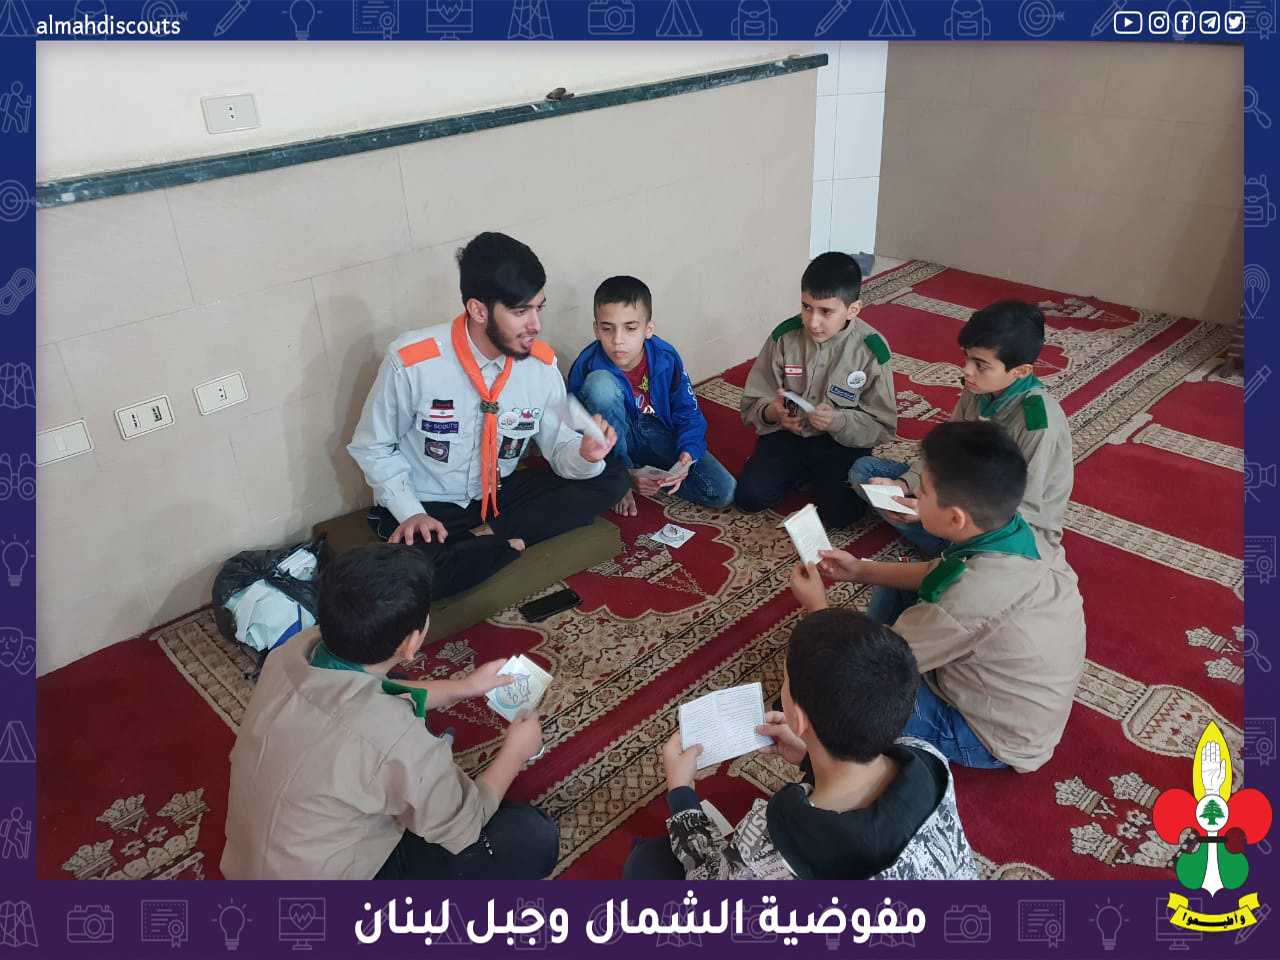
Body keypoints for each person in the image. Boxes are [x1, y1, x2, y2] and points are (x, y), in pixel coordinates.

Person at [221, 544, 558, 880]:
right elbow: (466, 823)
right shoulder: (400, 740)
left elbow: (358, 690)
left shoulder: (291, 651)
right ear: (410, 643)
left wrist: (464, 687)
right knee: (531, 838)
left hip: (248, 865)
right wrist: (516, 753)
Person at [794, 420, 1086, 773]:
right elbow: (942, 571)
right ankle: (873, 645)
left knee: (851, 696)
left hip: (986, 737)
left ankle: (855, 661)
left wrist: (818, 611)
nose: (914, 497)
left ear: (956, 518)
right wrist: (860, 570)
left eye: (922, 493)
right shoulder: (1016, 532)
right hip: (1013, 699)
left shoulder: (971, 598)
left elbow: (873, 675)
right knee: (895, 581)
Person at [348, 232, 629, 598]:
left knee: (612, 475)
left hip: (499, 497)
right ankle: (503, 542)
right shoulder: (412, 361)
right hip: (431, 503)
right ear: (478, 310)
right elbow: (373, 447)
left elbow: (561, 446)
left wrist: (585, 454)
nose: (535, 325)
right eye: (520, 311)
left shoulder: (541, 366)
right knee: (413, 578)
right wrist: (411, 512)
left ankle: (486, 540)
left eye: (538, 308)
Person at [622, 608, 976, 880]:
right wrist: (809, 755)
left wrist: (682, 793)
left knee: (647, 865)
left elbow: (715, 881)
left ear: (799, 718)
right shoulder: (928, 758)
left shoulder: (774, 841)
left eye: (786, 681)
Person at [852, 299, 1072, 555]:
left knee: (984, 557)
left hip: (1006, 527)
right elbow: (946, 452)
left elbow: (1023, 507)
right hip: (963, 492)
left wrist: (932, 512)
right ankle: (944, 542)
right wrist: (904, 484)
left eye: (980, 365)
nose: (966, 370)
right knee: (865, 471)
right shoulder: (977, 388)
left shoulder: (1037, 423)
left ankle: (949, 546)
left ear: (1021, 371)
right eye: (966, 357)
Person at [735, 252, 897, 528]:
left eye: (826, 311)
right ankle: (803, 473)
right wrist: (773, 413)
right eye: (807, 307)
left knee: (840, 515)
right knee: (750, 497)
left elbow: (882, 426)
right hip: (788, 434)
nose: (812, 322)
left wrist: (838, 421)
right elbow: (753, 400)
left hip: (840, 443)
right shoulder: (784, 337)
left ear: (853, 310)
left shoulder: (871, 350)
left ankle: (815, 478)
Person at [568, 275, 736, 516]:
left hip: (653, 432)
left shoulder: (665, 357)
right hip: (613, 442)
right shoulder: (587, 364)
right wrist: (619, 477)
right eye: (607, 329)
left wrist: (687, 454)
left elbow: (688, 411)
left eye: (630, 328)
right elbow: (575, 427)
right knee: (600, 385)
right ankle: (621, 478)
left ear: (648, 329)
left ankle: (643, 474)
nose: (618, 340)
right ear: (596, 330)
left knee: (723, 491)